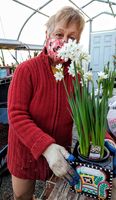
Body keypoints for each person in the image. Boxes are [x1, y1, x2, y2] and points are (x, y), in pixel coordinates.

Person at [7, 6, 85, 200]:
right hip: (26, 150)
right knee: (22, 196)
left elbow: (84, 114)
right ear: (47, 34)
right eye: (59, 33)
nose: (64, 41)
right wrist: (46, 148)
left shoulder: (76, 76)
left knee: (55, 193)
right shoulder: (26, 70)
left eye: (72, 38)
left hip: (60, 152)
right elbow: (16, 114)